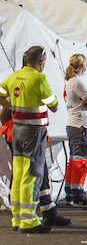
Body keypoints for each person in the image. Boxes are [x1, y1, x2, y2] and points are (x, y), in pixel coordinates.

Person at [0, 46, 71, 233]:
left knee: (19, 174)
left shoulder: (14, 77)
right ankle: (29, 221)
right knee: (33, 175)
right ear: (42, 61)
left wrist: (10, 104)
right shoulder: (40, 78)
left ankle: (17, 217)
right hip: (34, 132)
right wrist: (52, 99)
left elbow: (0, 92)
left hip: (16, 131)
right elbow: (53, 105)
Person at [63, 54, 87, 207]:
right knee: (80, 161)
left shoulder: (69, 82)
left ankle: (71, 191)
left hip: (73, 125)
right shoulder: (78, 83)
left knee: (73, 160)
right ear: (82, 65)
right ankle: (78, 194)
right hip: (81, 127)